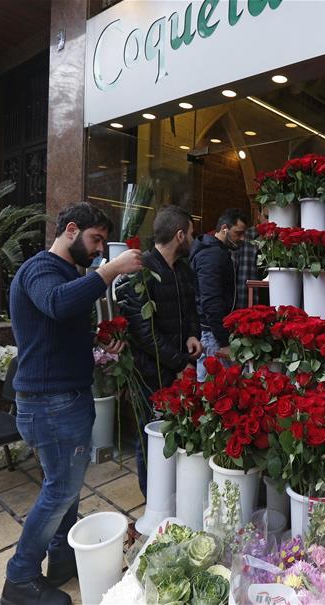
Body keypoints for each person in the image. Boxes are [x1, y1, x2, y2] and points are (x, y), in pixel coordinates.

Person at [3, 203, 143, 605]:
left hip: (62, 399)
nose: (100, 250)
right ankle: (20, 578)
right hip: (50, 404)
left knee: (66, 487)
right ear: (70, 230)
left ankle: (62, 559)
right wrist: (112, 269)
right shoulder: (40, 269)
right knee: (60, 491)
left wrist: (97, 340)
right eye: (95, 240)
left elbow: (55, 326)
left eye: (103, 243)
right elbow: (57, 304)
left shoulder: (68, 274)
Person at [118, 205, 202, 496]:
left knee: (177, 435)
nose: (194, 238)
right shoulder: (139, 271)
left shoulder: (183, 269)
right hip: (150, 374)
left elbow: (191, 309)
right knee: (151, 439)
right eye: (192, 233)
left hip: (177, 370)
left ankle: (172, 494)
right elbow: (143, 332)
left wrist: (192, 334)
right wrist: (180, 364)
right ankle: (153, 500)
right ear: (180, 235)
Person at [190, 208, 247, 380]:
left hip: (211, 330)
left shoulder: (214, 252)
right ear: (224, 229)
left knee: (210, 383)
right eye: (238, 233)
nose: (242, 238)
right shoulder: (212, 255)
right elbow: (211, 301)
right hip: (212, 332)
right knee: (214, 384)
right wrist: (224, 340)